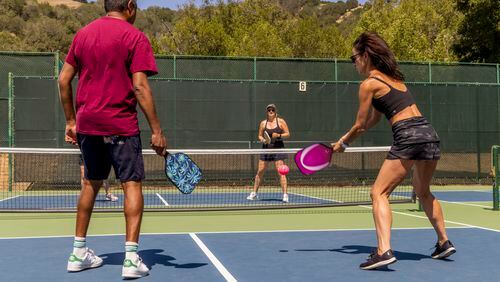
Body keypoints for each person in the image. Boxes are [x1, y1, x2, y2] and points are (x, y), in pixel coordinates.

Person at [58, 0, 167, 278]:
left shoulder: (83, 34)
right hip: (121, 125)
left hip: (88, 125)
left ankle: (78, 253)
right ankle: (131, 260)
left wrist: (71, 121)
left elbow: (63, 80)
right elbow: (140, 86)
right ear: (130, 5)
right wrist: (156, 129)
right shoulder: (135, 37)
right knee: (131, 185)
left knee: (90, 184)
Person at [331, 32, 456, 270]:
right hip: (429, 134)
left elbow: (359, 124)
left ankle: (383, 251)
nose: (354, 62)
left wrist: (344, 142)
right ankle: (443, 241)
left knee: (378, 193)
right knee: (423, 191)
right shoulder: (395, 80)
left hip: (408, 135)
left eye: (354, 57)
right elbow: (373, 120)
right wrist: (348, 138)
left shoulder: (368, 84)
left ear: (365, 56)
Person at [247, 104, 290, 203]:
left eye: (272, 110)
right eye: (269, 110)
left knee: (281, 172)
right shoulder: (263, 123)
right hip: (266, 149)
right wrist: (263, 140)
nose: (271, 111)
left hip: (278, 149)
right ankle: (254, 193)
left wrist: (278, 135)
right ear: (267, 112)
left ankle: (285, 195)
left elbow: (288, 134)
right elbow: (260, 136)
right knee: (260, 171)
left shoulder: (281, 122)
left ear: (275, 111)